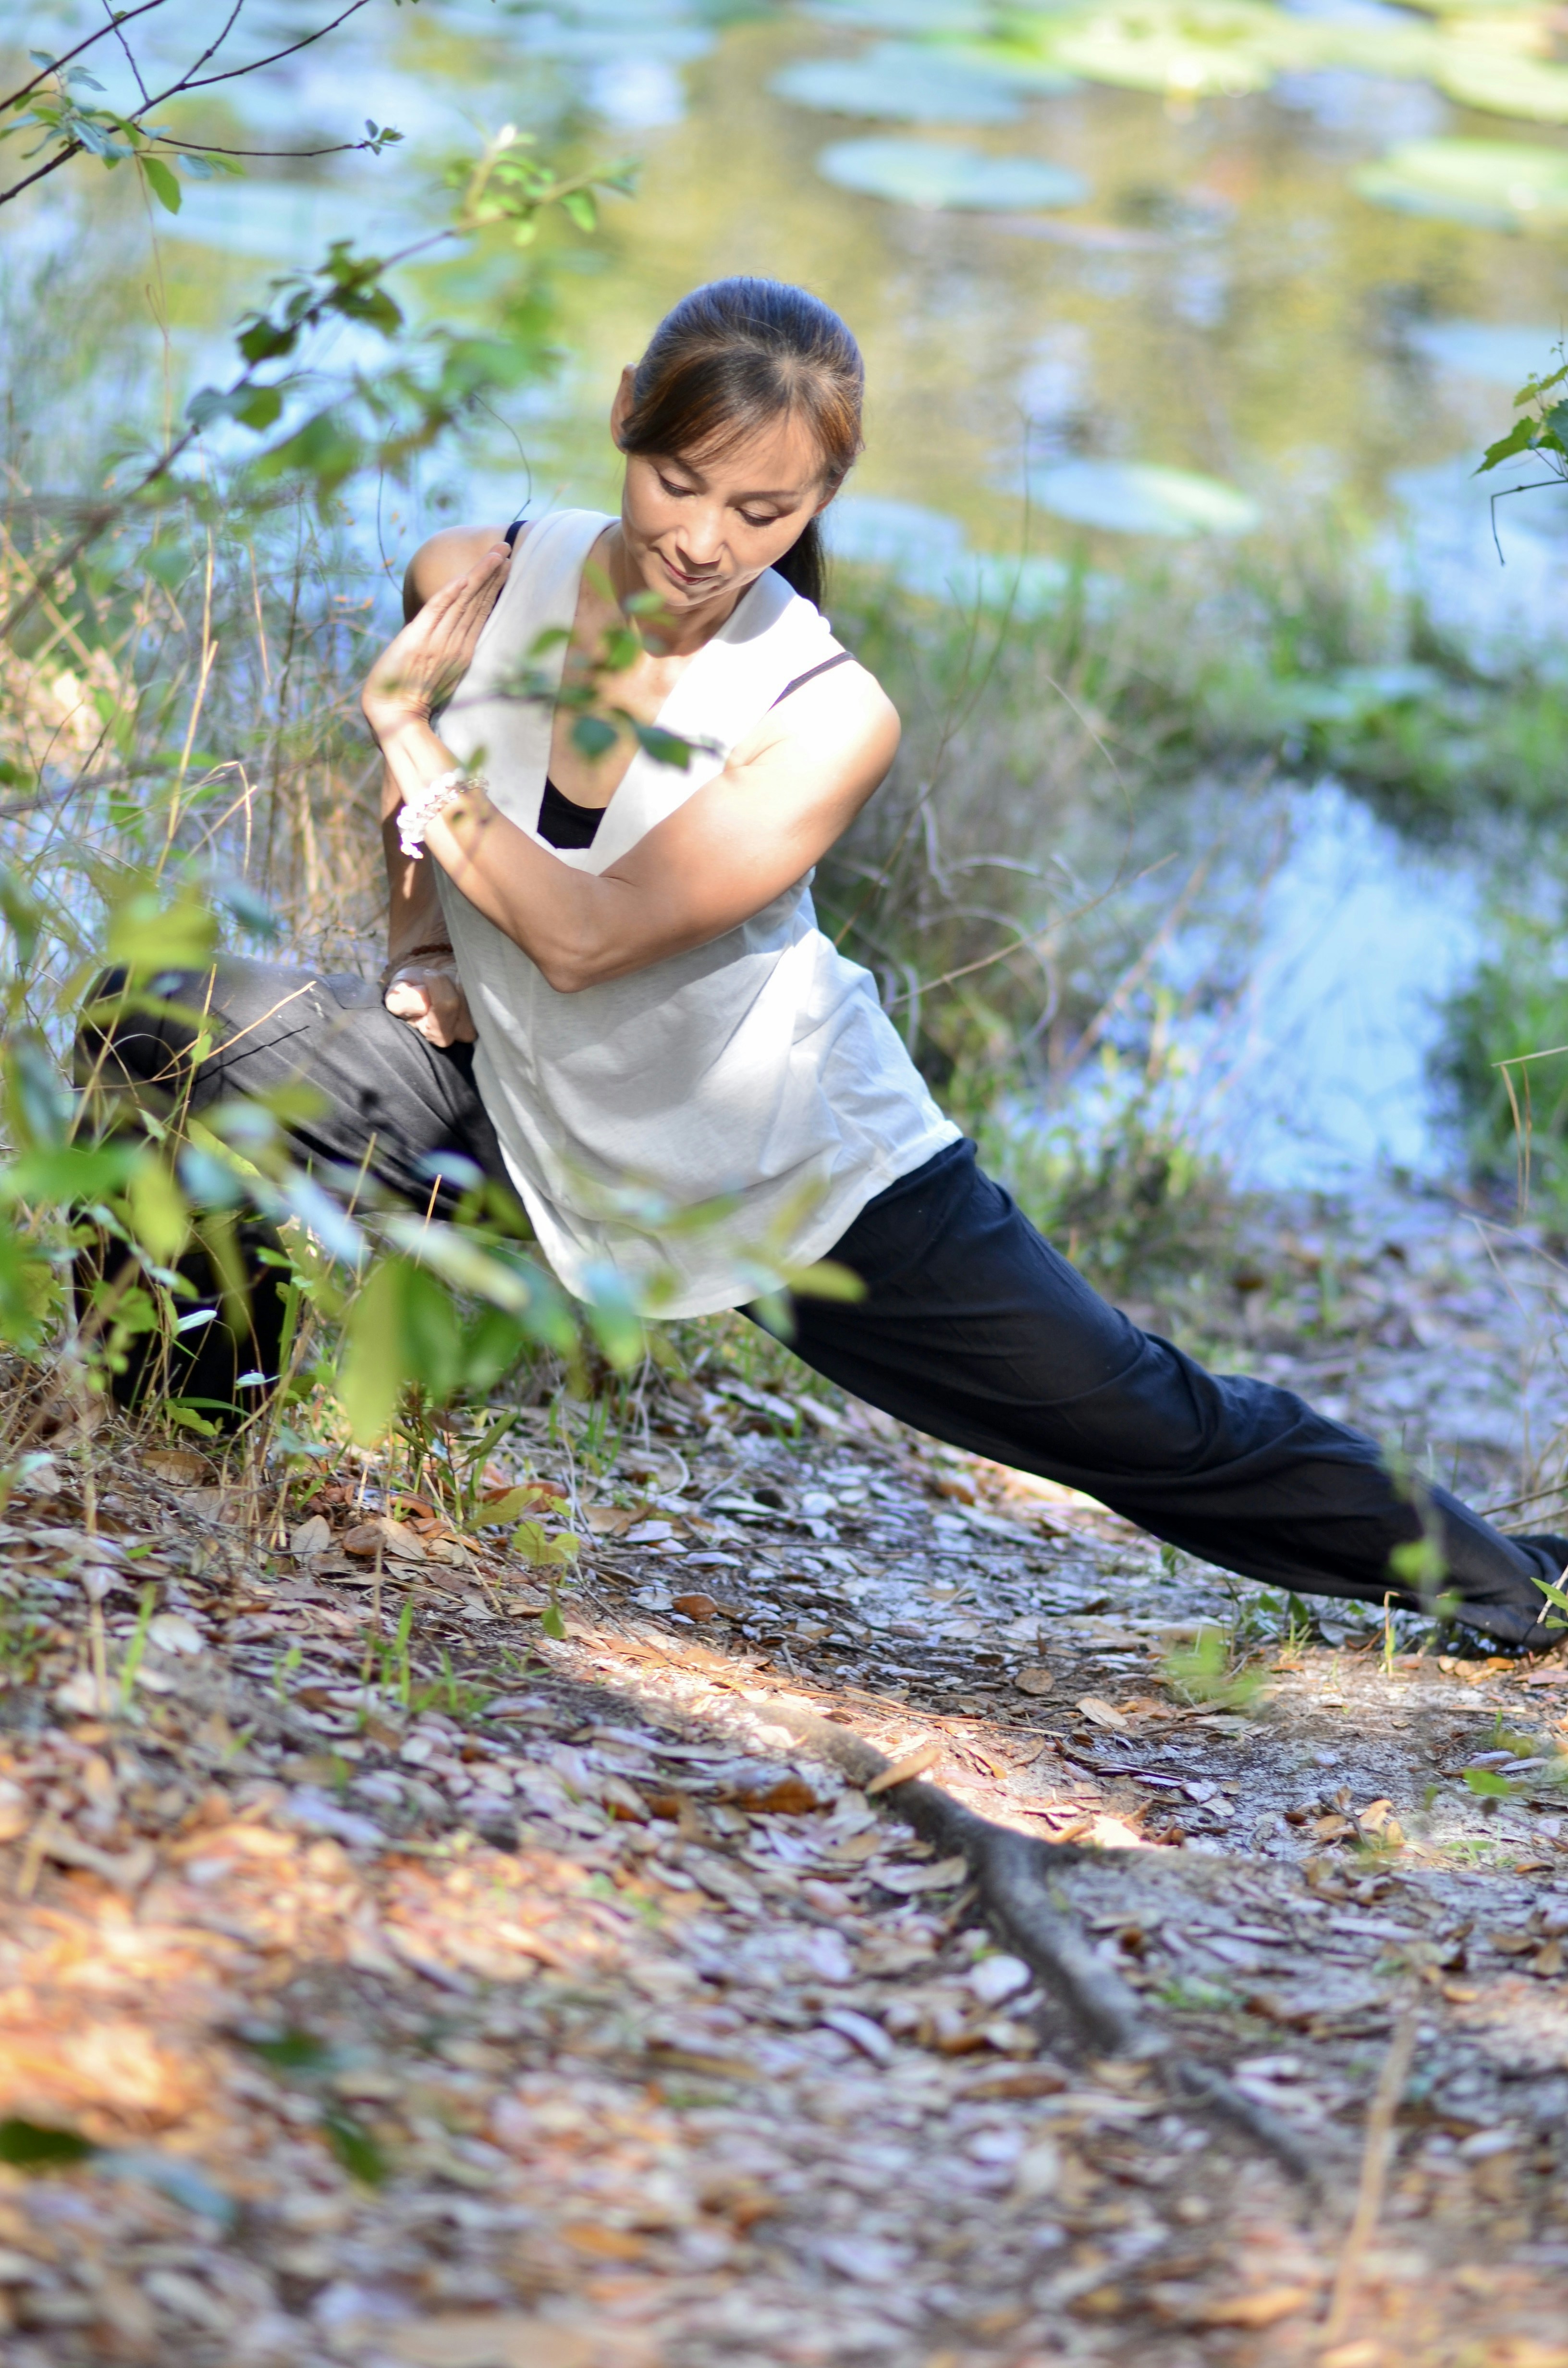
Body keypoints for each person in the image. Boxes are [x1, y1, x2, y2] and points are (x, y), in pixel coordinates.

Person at [86, 276, 1566, 1651]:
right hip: (527, 1128)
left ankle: (1514, 1587)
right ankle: (167, 1450)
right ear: (623, 415)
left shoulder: (827, 708)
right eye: (679, 481)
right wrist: (425, 952)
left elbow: (586, 931)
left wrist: (400, 725)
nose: (704, 539)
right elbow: (430, 830)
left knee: (1147, 1418)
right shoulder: (472, 576)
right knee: (166, 1020)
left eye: (763, 510)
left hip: (794, 1162)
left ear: (818, 506)